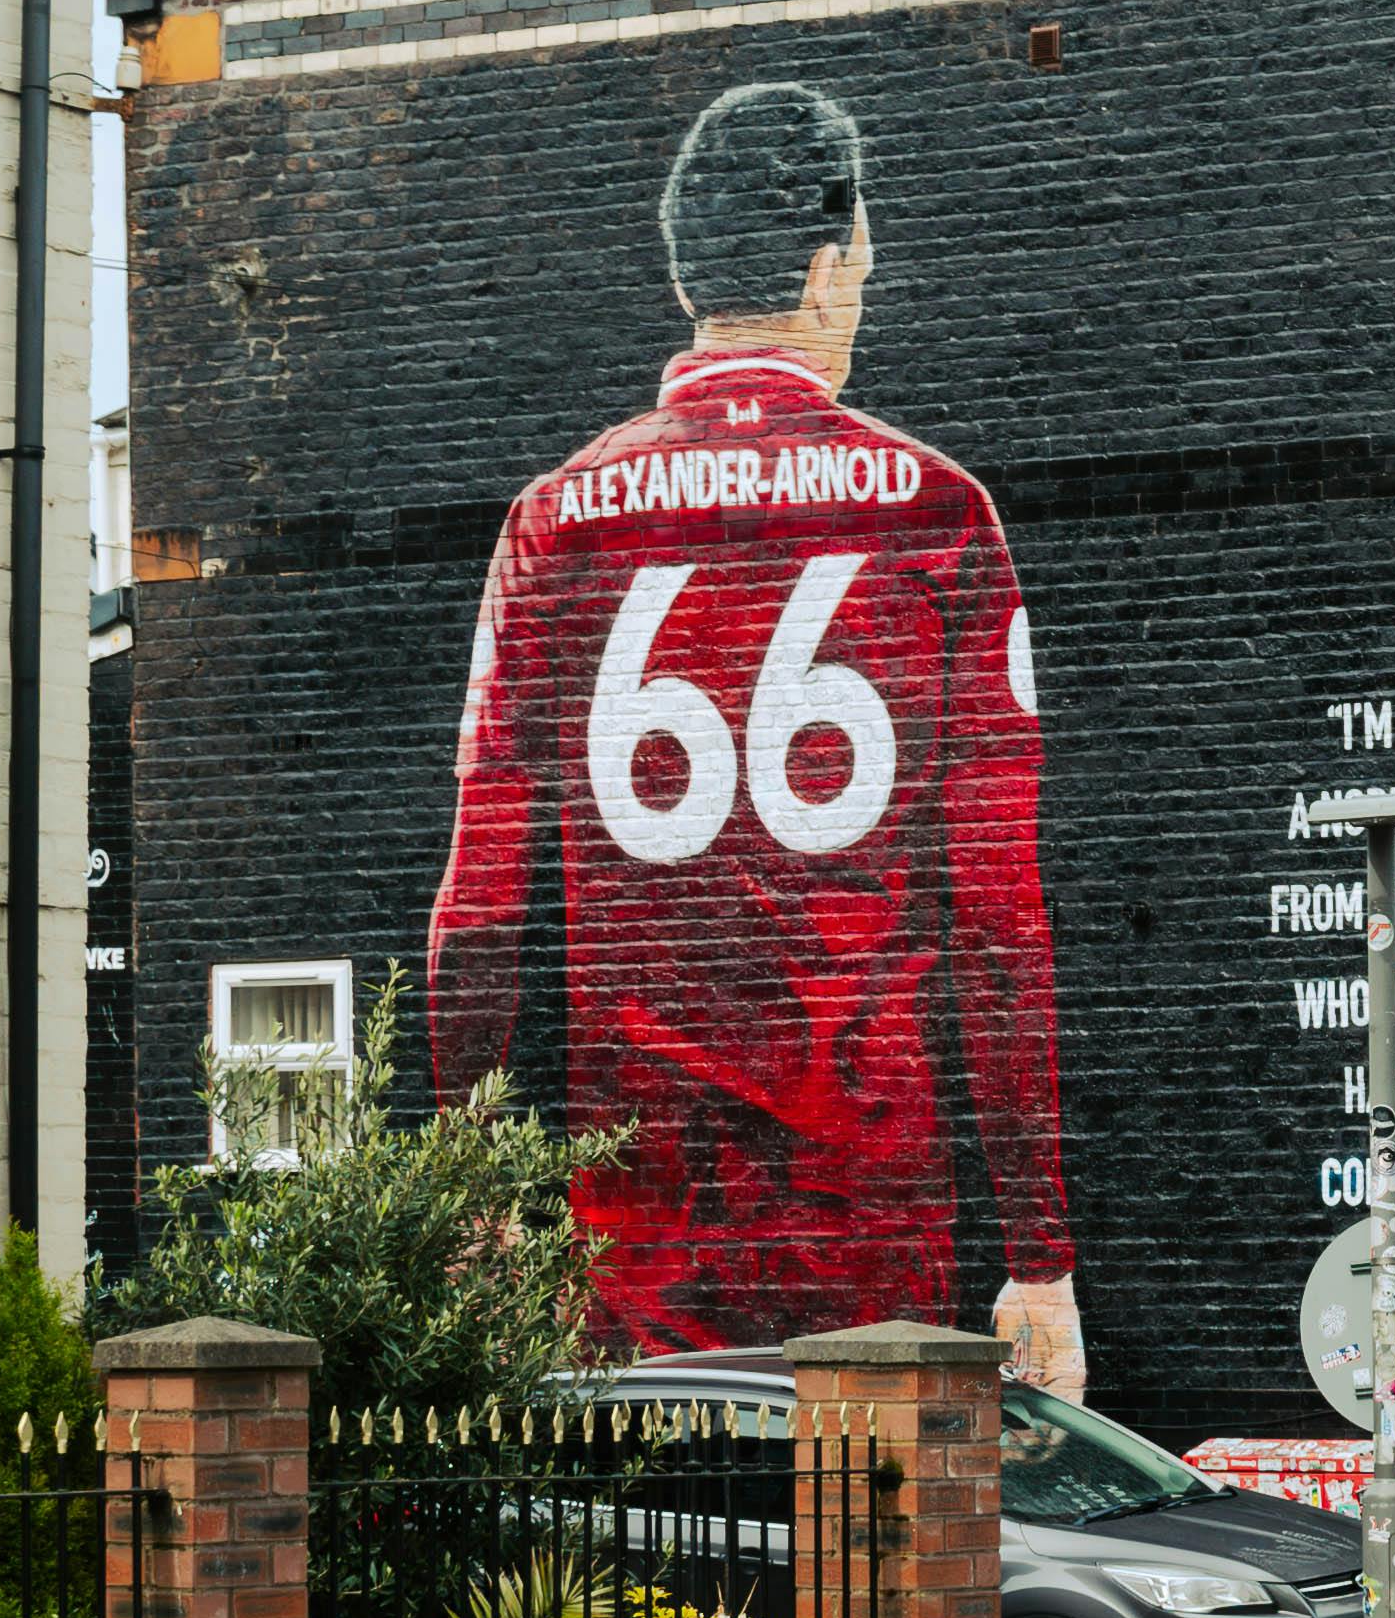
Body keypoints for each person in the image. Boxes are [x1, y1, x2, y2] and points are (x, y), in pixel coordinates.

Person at [429, 80, 1079, 1387]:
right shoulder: (937, 512)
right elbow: (999, 920)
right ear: (832, 266)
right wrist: (1041, 1257)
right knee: (881, 1562)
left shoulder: (556, 522)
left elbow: (479, 909)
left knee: (650, 1569)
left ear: (689, 277)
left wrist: (474, 1186)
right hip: (872, 1202)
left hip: (643, 1210)